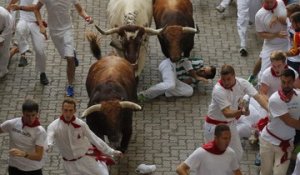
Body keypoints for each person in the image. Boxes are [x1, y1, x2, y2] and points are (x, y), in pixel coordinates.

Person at [10, 0, 93, 96]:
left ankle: (70, 86)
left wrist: (87, 17)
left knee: (70, 59)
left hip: (67, 29)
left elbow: (80, 9)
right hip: (54, 31)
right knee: (65, 56)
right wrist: (41, 25)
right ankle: (72, 52)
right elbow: (36, 9)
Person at [203, 64, 269, 162]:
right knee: (213, 157)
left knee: (237, 154)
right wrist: (242, 112)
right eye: (223, 79)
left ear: (234, 76)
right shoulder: (218, 90)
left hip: (230, 124)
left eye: (228, 79)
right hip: (214, 126)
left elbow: (258, 97)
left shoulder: (242, 83)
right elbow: (227, 113)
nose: (226, 82)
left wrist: (271, 110)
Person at [47, 98, 123, 175]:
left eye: (70, 110)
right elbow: (49, 137)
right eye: (65, 110)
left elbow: (94, 139)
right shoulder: (53, 126)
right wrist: (48, 145)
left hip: (87, 160)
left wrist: (111, 151)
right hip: (70, 165)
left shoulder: (81, 124)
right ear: (62, 110)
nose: (68, 113)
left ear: (74, 111)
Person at [259, 69, 300, 175]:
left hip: (287, 144)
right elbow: (290, 122)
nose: (286, 85)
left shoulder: (299, 96)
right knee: (266, 172)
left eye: (289, 82)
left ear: (294, 81)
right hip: (268, 141)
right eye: (283, 82)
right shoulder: (275, 99)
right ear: (280, 81)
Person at [0, 99, 47, 175]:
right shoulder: (12, 124)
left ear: (37, 114)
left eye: (33, 115)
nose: (31, 119)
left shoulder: (40, 132)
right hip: (14, 167)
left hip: (32, 170)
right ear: (23, 113)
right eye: (27, 115)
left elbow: (38, 156)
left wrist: (24, 154)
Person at [8, 0, 49, 85]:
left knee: (40, 51)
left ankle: (42, 73)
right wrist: (8, 8)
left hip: (35, 23)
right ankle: (24, 53)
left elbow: (34, 8)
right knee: (19, 29)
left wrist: (18, 7)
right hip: (24, 21)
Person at [249, 0, 289, 85]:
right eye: (267, 2)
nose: (270, 4)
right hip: (271, 45)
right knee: (263, 73)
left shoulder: (281, 3)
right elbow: (261, 34)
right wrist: (276, 35)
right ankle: (255, 80)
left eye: (272, 2)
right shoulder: (259, 15)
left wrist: (278, 17)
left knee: (288, 68)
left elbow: (288, 20)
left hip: (286, 43)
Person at [138, 57, 215, 101]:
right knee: (171, 85)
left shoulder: (195, 82)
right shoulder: (199, 62)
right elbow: (186, 61)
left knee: (189, 91)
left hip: (170, 79)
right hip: (169, 66)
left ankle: (160, 89)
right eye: (204, 68)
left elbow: (180, 83)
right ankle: (143, 95)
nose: (202, 70)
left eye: (204, 73)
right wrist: (196, 76)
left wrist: (195, 79)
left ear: (204, 77)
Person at [176, 124, 242, 175]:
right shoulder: (201, 152)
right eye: (224, 138)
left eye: (229, 138)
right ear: (216, 138)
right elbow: (180, 169)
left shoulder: (231, 153)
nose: (228, 141)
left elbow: (237, 171)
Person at [0, 6, 14, 79]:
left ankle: (3, 70)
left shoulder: (3, 14)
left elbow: (8, 27)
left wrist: (1, 39)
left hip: (6, 28)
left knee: (3, 50)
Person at [286, 10, 300, 74]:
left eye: (292, 22)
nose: (291, 25)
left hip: (296, 63)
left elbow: (295, 51)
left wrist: (283, 54)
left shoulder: (297, 35)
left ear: (298, 23)